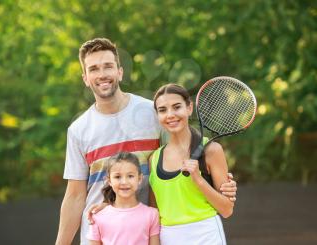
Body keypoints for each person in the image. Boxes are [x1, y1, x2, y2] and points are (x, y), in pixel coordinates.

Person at [55, 37, 237, 245]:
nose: (102, 74)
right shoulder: (78, 130)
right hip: (101, 237)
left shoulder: (153, 113)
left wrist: (219, 180)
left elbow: (180, 157)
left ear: (120, 72)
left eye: (108, 66)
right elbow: (75, 196)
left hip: (149, 234)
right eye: (94, 69)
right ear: (85, 78)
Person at [150, 83, 233, 245]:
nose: (170, 115)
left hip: (205, 235)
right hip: (168, 237)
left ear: (189, 108)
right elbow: (155, 213)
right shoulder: (154, 158)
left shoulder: (212, 151)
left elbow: (227, 209)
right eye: (163, 110)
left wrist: (199, 179)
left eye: (176, 107)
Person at [87, 152, 160, 245]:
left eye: (130, 176)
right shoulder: (98, 217)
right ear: (109, 180)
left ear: (140, 178)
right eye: (117, 177)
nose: (124, 182)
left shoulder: (152, 215)